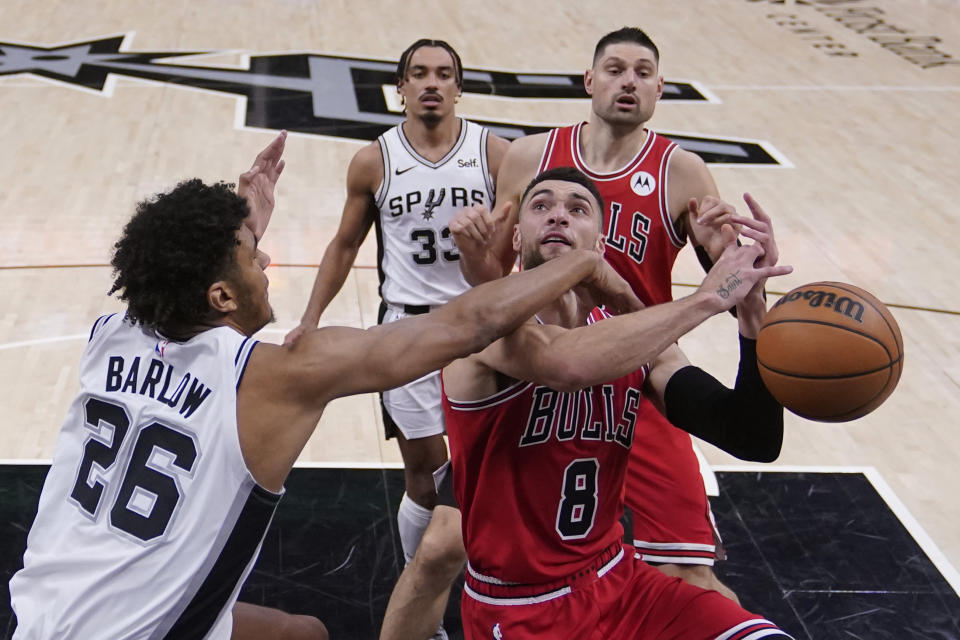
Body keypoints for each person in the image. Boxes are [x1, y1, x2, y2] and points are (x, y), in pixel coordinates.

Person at [7, 133, 631, 639]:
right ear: (220, 295)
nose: (268, 261)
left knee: (299, 634)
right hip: (144, 629)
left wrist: (241, 223)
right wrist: (580, 258)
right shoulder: (272, 377)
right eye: (255, 257)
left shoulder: (112, 331)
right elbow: (470, 322)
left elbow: (182, 273)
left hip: (44, 611)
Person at [452, 26, 749, 600]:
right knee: (443, 545)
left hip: (638, 373)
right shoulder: (530, 155)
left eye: (642, 72)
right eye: (615, 69)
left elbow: (726, 284)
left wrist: (726, 247)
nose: (628, 81)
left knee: (689, 572)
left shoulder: (681, 170)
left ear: (661, 89)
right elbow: (494, 278)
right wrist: (474, 256)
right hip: (539, 366)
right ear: (589, 81)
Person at [445, 167, 794, 639]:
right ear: (515, 238)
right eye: (541, 205)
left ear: (602, 245)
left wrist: (752, 313)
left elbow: (752, 437)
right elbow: (565, 365)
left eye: (578, 209)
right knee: (431, 554)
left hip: (619, 580)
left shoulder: (630, 337)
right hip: (521, 606)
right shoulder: (485, 323)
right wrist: (708, 298)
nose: (558, 217)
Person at [283, 40, 509, 638]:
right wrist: (310, 315)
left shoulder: (493, 153)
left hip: (481, 328)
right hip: (406, 331)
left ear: (459, 88)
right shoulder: (374, 161)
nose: (431, 83)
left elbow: (523, 239)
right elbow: (345, 245)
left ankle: (489, 586)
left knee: (483, 470)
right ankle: (423, 602)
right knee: (426, 477)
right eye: (418, 74)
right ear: (400, 89)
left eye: (444, 74)